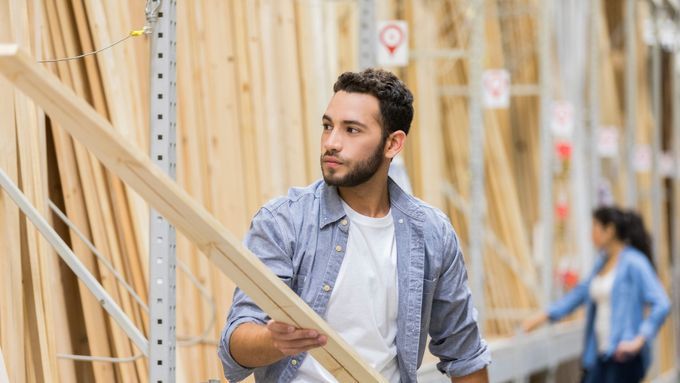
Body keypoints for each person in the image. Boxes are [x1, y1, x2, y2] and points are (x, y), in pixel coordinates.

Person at [218, 68, 490, 382]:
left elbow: (465, 354)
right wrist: (275, 341)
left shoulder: (431, 233)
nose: (331, 143)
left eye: (352, 130)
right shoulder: (284, 222)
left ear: (392, 144)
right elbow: (234, 346)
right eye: (327, 126)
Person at [522, 206, 670, 383]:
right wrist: (539, 318)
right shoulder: (601, 264)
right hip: (599, 354)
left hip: (622, 355)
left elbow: (662, 303)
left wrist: (638, 340)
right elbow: (578, 295)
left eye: (594, 227)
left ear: (610, 230)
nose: (591, 234)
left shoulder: (634, 262)